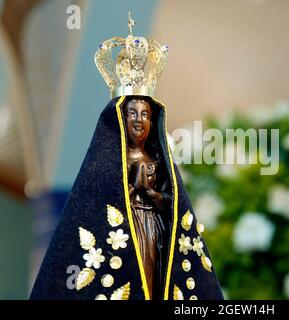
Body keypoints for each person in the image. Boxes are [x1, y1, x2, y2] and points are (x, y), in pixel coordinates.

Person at [30, 13, 223, 300]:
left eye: (145, 115)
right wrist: (132, 191)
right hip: (119, 235)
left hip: (154, 231)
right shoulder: (104, 166)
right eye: (132, 113)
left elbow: (170, 203)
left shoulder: (159, 163)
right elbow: (93, 210)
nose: (139, 120)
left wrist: (153, 195)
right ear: (120, 117)